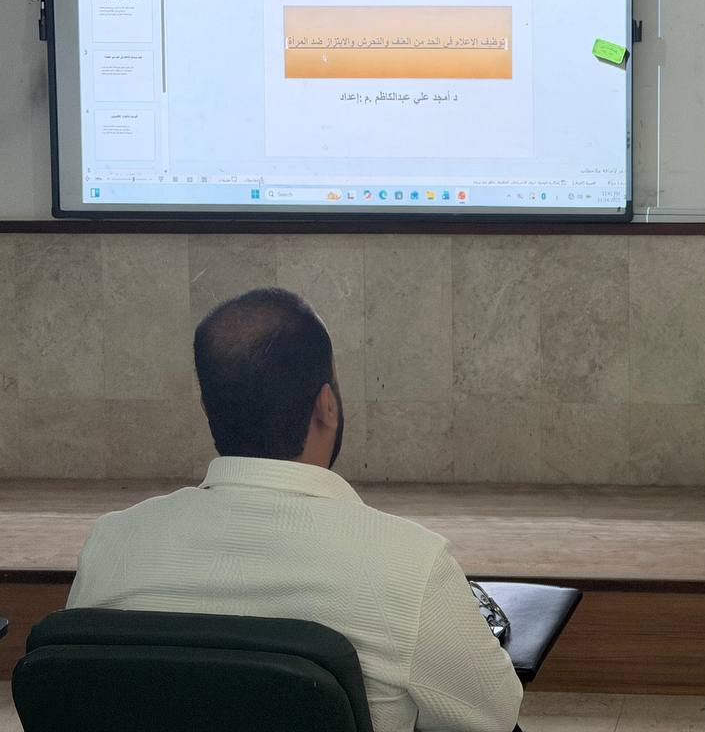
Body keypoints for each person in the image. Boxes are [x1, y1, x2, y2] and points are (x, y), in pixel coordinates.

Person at [66, 287, 523, 732]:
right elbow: (495, 715)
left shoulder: (111, 545)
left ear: (207, 409)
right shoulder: (410, 565)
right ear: (327, 406)